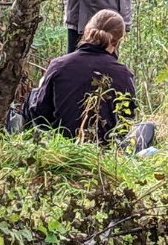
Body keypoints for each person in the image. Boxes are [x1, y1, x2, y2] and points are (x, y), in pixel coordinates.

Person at [23, 9, 145, 146]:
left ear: (86, 32)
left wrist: (41, 88)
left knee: (35, 95)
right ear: (117, 42)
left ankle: (28, 146)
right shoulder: (124, 74)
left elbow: (40, 114)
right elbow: (126, 122)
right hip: (108, 150)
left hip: (62, 147)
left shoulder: (59, 65)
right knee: (148, 128)